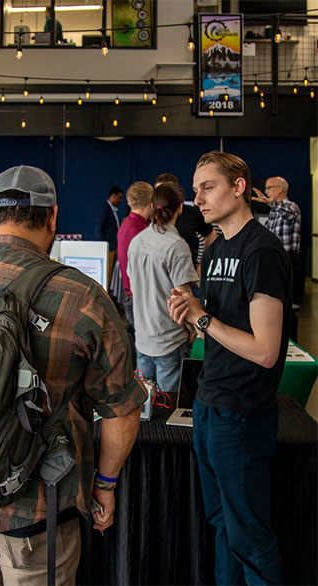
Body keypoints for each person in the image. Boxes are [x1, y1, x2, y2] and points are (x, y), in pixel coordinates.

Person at [0, 165, 146, 586]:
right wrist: (106, 485)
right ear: (53, 218)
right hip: (41, 507)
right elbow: (122, 408)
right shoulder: (83, 297)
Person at [168, 151, 292, 585]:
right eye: (195, 188)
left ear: (239, 188)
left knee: (251, 538)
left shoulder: (262, 252)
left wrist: (203, 319)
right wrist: (190, 315)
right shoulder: (218, 245)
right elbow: (217, 329)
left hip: (241, 413)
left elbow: (265, 351)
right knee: (223, 527)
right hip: (209, 403)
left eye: (208, 187)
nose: (197, 199)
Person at [127, 182, 198, 393]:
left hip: (143, 340)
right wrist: (194, 329)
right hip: (170, 341)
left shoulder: (136, 242)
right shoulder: (177, 246)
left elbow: (133, 286)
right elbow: (184, 298)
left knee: (145, 410)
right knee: (169, 409)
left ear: (151, 205)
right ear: (180, 208)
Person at [252, 176, 303, 308]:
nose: (266, 192)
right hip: (275, 258)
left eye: (268, 188)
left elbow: (288, 213)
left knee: (290, 300)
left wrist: (270, 203)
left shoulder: (291, 207)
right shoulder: (274, 211)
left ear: (279, 189)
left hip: (288, 258)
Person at [154, 172, 216, 271]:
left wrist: (201, 263)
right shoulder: (150, 215)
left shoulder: (192, 213)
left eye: (168, 192)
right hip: (158, 273)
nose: (164, 197)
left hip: (187, 272)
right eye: (159, 192)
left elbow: (211, 235)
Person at [117, 181, 153, 329]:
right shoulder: (143, 232)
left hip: (133, 298)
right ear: (152, 203)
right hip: (142, 301)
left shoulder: (126, 225)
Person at [94, 186, 123, 287]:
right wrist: (104, 247)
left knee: (111, 276)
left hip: (114, 247)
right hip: (109, 248)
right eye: (119, 198)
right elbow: (98, 229)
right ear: (113, 196)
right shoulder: (104, 209)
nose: (121, 201)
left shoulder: (113, 210)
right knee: (107, 275)